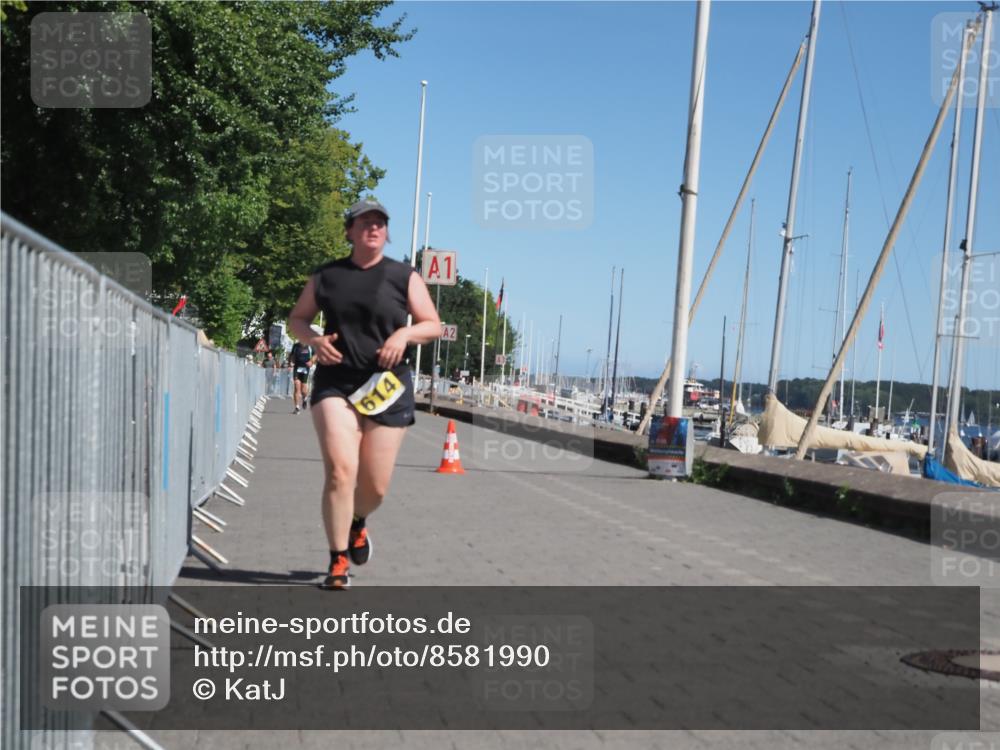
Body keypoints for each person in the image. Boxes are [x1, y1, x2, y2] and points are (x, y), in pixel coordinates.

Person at [287, 198, 441, 589]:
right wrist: (314, 339)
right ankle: (337, 560)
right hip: (336, 382)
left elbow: (432, 325)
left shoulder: (403, 276)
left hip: (387, 386)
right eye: (364, 222)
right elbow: (297, 319)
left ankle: (358, 523)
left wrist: (405, 333)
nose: (373, 228)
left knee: (375, 486)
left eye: (380, 223)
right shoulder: (327, 276)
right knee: (341, 472)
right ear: (350, 231)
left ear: (387, 234)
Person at [288, 339, 316, 413]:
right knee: (297, 386)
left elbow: (315, 355)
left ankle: (305, 398)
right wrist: (290, 362)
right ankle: (297, 407)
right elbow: (291, 355)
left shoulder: (310, 346)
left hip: (305, 368)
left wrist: (311, 361)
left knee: (303, 388)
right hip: (297, 368)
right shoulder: (296, 346)